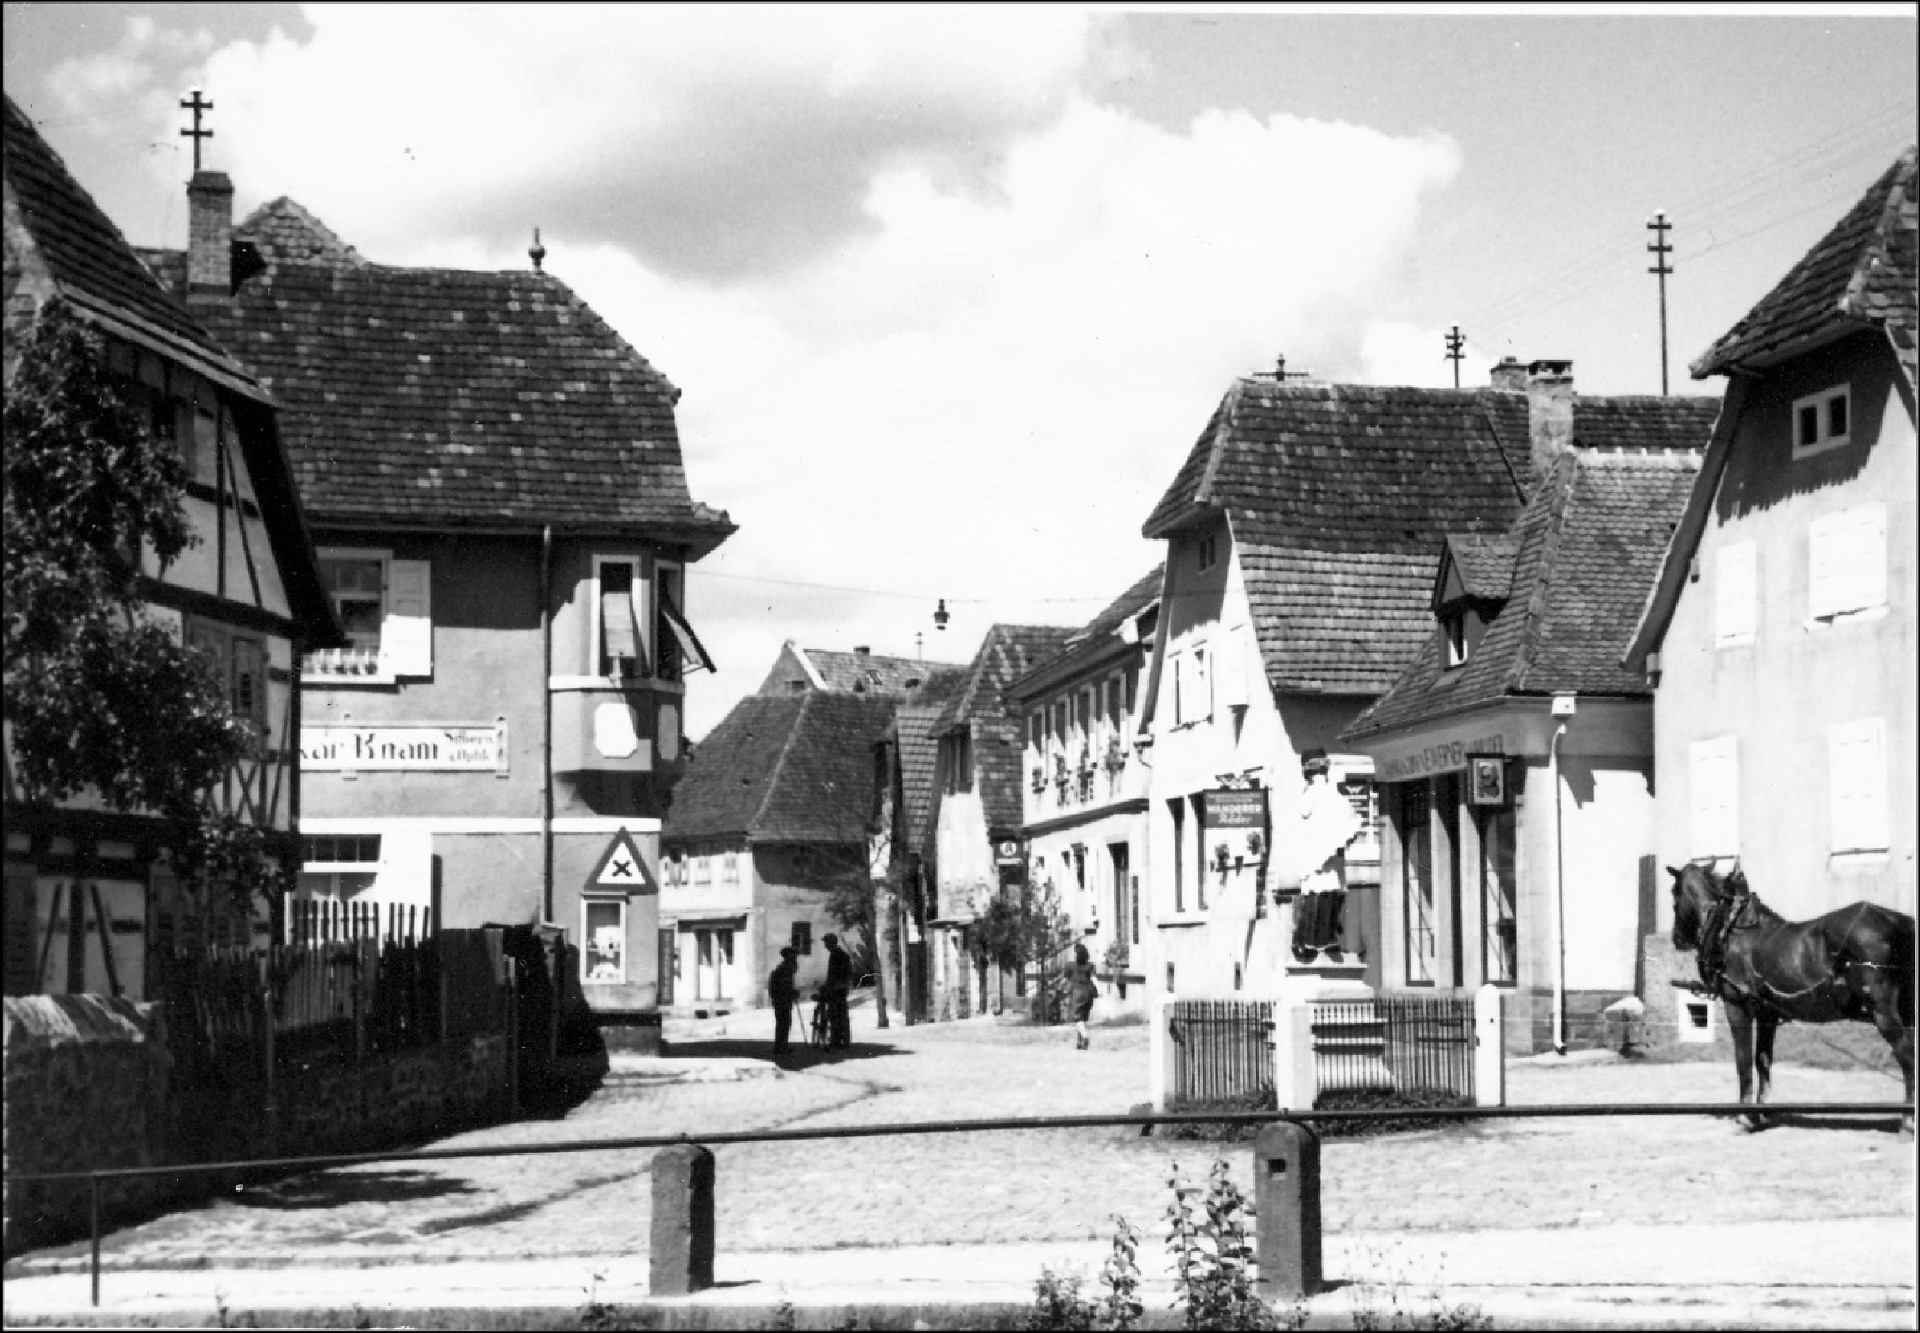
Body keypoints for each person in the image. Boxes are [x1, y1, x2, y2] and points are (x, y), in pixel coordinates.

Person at [1293, 748, 1361, 963]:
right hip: (1329, 858)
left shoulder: (1308, 797)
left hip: (1314, 858)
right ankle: (1324, 939)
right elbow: (1350, 822)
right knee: (1328, 897)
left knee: (1316, 897)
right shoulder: (1333, 796)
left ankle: (1309, 940)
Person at [1066, 941, 1100, 1051]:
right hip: (1088, 993)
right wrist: (1099, 991)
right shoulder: (1090, 966)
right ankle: (1080, 1042)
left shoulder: (1070, 966)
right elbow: (1094, 979)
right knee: (1083, 1019)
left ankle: (1085, 1037)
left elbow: (1065, 978)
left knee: (1078, 1019)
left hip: (1077, 993)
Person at [822, 931, 853, 1049]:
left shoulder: (837, 955)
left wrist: (830, 985)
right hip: (841, 988)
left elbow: (835, 974)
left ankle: (836, 1040)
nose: (825, 946)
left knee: (835, 1014)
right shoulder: (841, 954)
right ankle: (841, 1039)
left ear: (830, 943)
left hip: (837, 988)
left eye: (826, 943)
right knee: (841, 1014)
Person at [768, 946, 800, 1056]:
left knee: (783, 1024)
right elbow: (784, 987)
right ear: (789, 957)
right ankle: (781, 1048)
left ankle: (781, 1047)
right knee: (784, 1024)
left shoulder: (785, 968)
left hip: (781, 1000)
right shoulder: (785, 970)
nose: (796, 959)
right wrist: (793, 993)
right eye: (794, 956)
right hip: (782, 1001)